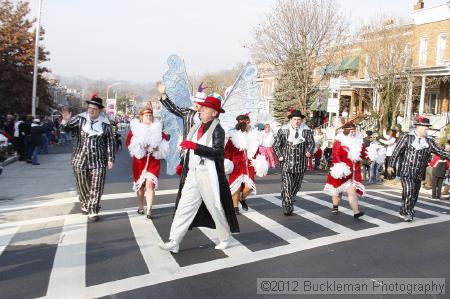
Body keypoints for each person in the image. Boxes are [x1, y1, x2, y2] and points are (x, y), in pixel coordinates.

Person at [159, 95, 239, 253]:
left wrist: (195, 146)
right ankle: (174, 240)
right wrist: (183, 163)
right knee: (184, 206)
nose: (201, 110)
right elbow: (190, 149)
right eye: (201, 107)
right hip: (193, 172)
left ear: (214, 113)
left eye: (205, 108)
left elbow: (217, 153)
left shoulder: (218, 130)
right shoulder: (196, 126)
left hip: (208, 174)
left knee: (215, 206)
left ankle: (225, 237)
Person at [60, 93, 115, 222]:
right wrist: (65, 120)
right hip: (80, 160)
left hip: (98, 161)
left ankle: (93, 209)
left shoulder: (106, 125)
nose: (90, 110)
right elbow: (65, 129)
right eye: (89, 108)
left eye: (94, 109)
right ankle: (85, 203)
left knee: (97, 186)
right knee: (82, 185)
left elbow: (110, 142)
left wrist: (110, 158)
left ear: (99, 110)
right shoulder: (80, 119)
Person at [388, 116, 450, 222]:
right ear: (419, 127)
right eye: (425, 128)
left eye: (428, 128)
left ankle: (405, 209)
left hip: (419, 173)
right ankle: (408, 213)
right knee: (409, 190)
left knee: (414, 194)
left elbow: (441, 152)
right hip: (406, 171)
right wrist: (390, 165)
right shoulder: (406, 138)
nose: (427, 130)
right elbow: (396, 152)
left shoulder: (429, 142)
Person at [126, 102, 169, 218]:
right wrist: (140, 147)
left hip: (153, 162)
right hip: (139, 162)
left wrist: (158, 148)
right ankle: (140, 206)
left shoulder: (158, 129)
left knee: (150, 185)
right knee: (140, 186)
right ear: (141, 117)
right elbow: (128, 144)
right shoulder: (135, 129)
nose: (148, 117)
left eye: (150, 116)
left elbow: (165, 145)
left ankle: (149, 209)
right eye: (146, 116)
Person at [273, 109, 315, 215]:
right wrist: (280, 156)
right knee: (287, 184)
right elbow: (276, 145)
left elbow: (311, 143)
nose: (297, 121)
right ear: (291, 120)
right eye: (295, 119)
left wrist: (309, 151)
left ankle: (288, 198)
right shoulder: (284, 130)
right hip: (287, 163)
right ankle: (287, 205)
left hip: (300, 164)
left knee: (296, 186)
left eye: (298, 119)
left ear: (301, 120)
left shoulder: (306, 130)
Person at [224, 114, 268, 214]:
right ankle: (235, 207)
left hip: (249, 165)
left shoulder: (253, 136)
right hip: (236, 165)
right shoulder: (233, 137)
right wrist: (226, 162)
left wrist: (259, 161)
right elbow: (227, 152)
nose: (248, 125)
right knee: (236, 187)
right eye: (246, 123)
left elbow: (256, 151)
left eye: (248, 122)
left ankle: (242, 198)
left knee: (249, 187)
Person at [324, 122, 366, 218]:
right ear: (346, 131)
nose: (353, 133)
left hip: (353, 171)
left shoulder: (358, 141)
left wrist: (368, 157)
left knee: (352, 191)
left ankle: (356, 212)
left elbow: (363, 153)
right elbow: (335, 153)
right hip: (341, 169)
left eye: (355, 131)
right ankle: (335, 206)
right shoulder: (339, 140)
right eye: (351, 131)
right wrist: (339, 165)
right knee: (337, 189)